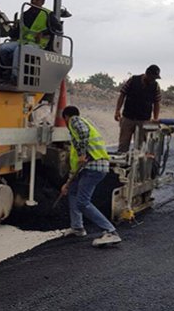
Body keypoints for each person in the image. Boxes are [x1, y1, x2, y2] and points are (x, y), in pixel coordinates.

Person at [60, 105, 122, 247]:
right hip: (87, 168)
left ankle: (110, 231)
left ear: (66, 117)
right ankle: (77, 227)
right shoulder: (75, 134)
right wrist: (67, 184)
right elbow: (76, 164)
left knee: (82, 202)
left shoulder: (75, 121)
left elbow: (83, 132)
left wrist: (82, 153)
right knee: (73, 192)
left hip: (94, 167)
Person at [0, 0, 62, 82]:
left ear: (43, 1)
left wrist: (43, 33)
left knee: (18, 51)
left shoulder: (48, 14)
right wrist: (9, 28)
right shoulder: (25, 14)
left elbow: (58, 28)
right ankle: (7, 71)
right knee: (2, 48)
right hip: (23, 42)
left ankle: (15, 78)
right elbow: (16, 32)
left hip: (38, 45)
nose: (33, 1)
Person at [114, 64, 162, 152]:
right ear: (147, 74)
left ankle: (138, 165)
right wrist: (117, 110)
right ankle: (121, 165)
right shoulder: (133, 80)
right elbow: (122, 94)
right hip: (128, 118)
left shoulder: (155, 86)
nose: (153, 80)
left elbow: (157, 103)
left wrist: (155, 118)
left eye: (155, 78)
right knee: (123, 145)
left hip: (144, 120)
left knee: (141, 147)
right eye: (152, 77)